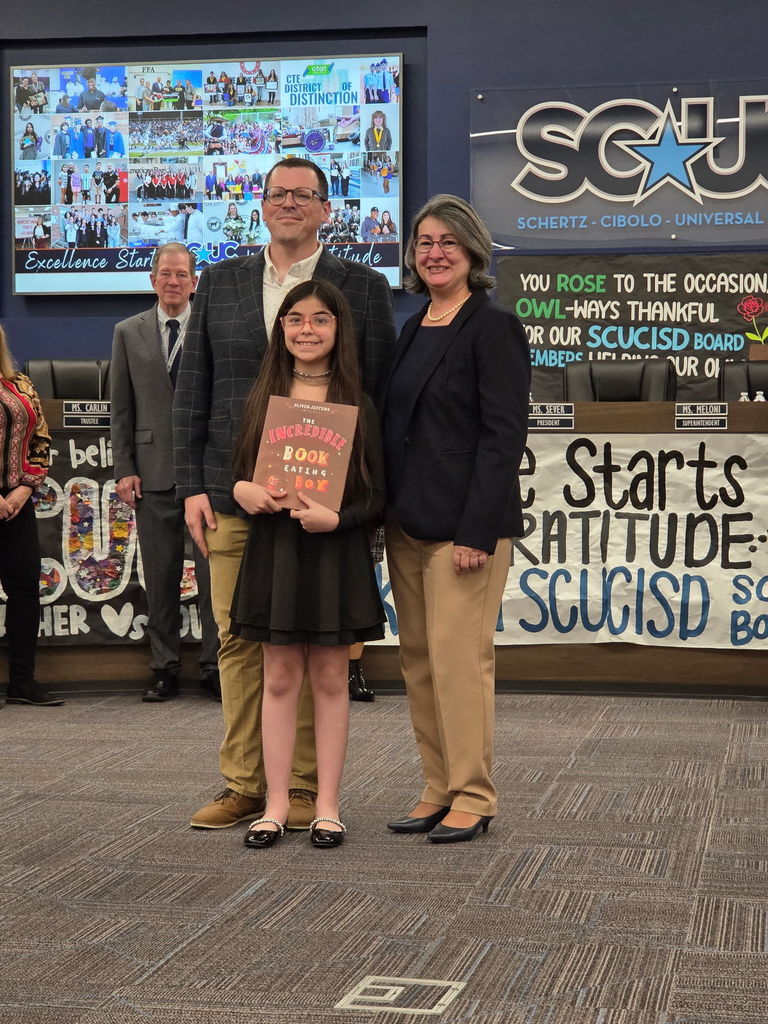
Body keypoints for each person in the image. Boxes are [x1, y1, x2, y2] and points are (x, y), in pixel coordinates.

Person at [173, 156, 396, 831]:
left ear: (328, 209)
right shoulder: (220, 281)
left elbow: (377, 397)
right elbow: (193, 389)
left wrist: (360, 506)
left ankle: (302, 790)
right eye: (278, 194)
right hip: (236, 495)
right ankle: (245, 784)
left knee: (316, 643)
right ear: (261, 205)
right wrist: (192, 485)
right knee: (244, 642)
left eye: (305, 195)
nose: (290, 203)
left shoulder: (361, 286)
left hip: (326, 506)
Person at [379, 194, 530, 844]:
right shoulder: (412, 326)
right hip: (406, 524)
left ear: (472, 251)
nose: (434, 253)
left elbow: (503, 436)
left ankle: (473, 793)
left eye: (447, 242)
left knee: (458, 661)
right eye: (424, 242)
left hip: (466, 532)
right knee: (417, 660)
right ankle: (437, 786)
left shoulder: (493, 326)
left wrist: (477, 530)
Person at [229, 281, 385, 848]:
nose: (307, 331)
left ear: (339, 330)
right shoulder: (261, 399)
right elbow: (239, 476)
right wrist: (243, 490)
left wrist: (338, 520)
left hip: (332, 555)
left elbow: (376, 497)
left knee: (329, 678)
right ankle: (273, 805)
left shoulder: (358, 404)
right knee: (278, 679)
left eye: (320, 320)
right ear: (281, 330)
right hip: (275, 553)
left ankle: (327, 806)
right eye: (295, 320)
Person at [111, 243, 220, 704]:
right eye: (165, 274)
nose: (173, 281)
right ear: (152, 280)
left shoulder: (212, 327)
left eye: (181, 274)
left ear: (194, 282)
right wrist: (124, 469)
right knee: (160, 578)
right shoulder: (126, 332)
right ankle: (164, 667)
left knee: (216, 581)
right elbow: (121, 407)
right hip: (151, 475)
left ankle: (216, 668)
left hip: (207, 479)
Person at [0, 326, 63, 708]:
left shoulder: (21, 384)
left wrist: (24, 488)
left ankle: (22, 681)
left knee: (24, 591)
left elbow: (41, 439)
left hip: (17, 503)